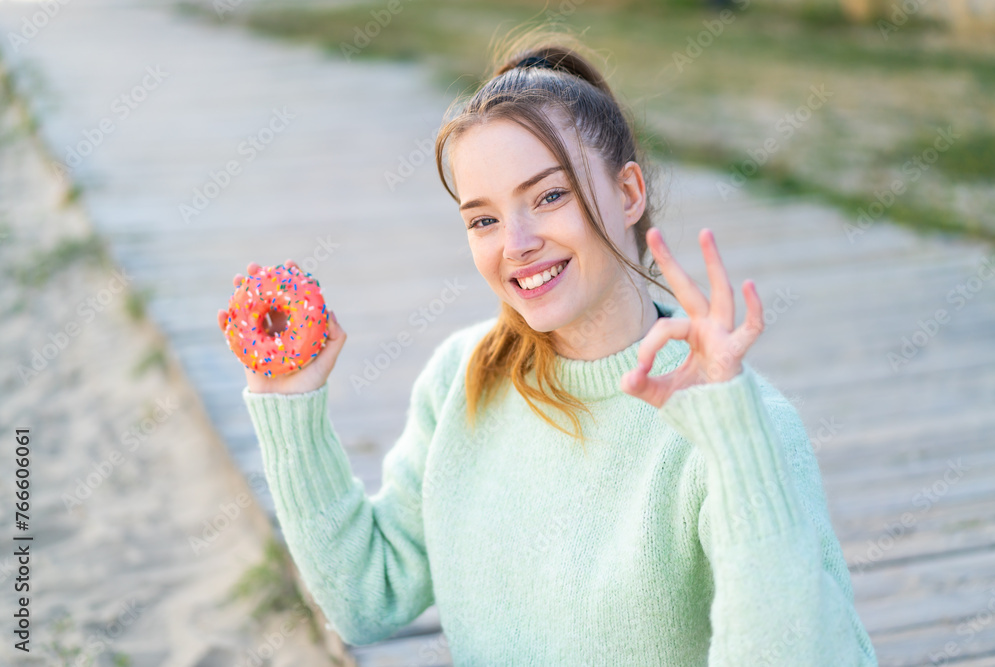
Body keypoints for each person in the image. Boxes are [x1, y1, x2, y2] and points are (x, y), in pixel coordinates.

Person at [217, 31, 878, 666]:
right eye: (484, 218)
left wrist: (735, 445)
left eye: (550, 195)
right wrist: (291, 409)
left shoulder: (746, 423)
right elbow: (367, 597)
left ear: (628, 193)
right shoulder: (462, 375)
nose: (518, 241)